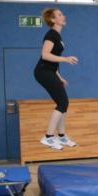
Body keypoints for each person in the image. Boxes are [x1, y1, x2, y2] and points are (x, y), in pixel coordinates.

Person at [34, 8, 79, 150]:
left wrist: (59, 77)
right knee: (63, 102)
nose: (63, 16)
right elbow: (45, 55)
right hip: (43, 72)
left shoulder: (57, 36)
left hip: (50, 71)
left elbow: (53, 62)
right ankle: (48, 137)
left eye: (62, 14)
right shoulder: (51, 34)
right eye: (60, 15)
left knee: (63, 103)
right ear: (53, 20)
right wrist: (65, 59)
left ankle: (61, 136)